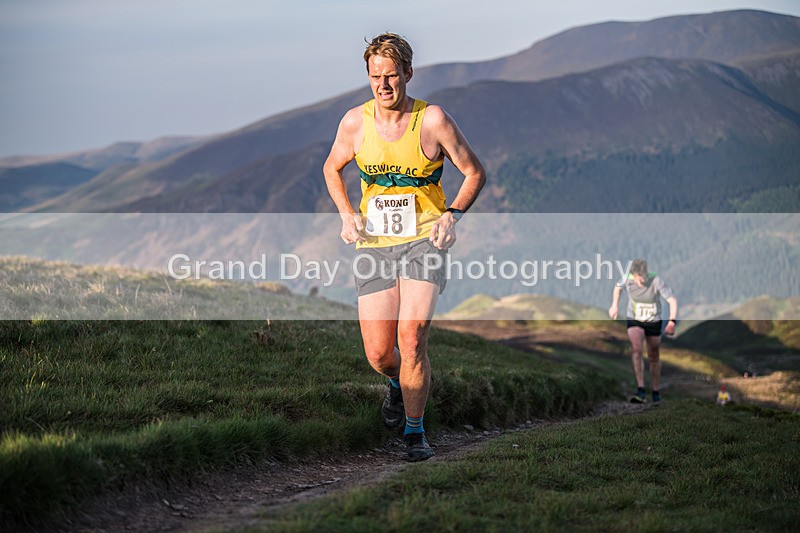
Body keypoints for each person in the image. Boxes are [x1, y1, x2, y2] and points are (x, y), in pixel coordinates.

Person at [323, 32, 486, 462]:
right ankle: (397, 384)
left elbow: (474, 173)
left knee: (412, 338)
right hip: (374, 243)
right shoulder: (354, 123)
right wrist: (345, 213)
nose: (383, 86)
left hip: (423, 239)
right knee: (380, 353)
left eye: (392, 76)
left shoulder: (432, 121)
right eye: (376, 77)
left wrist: (452, 214)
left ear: (408, 74)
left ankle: (415, 432)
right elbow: (331, 167)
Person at [608, 259, 678, 404]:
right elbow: (617, 288)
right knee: (636, 350)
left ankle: (655, 390)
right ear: (633, 275)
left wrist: (672, 321)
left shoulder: (656, 280)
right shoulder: (627, 279)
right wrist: (614, 305)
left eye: (645, 275)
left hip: (654, 321)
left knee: (653, 355)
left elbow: (672, 300)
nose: (644, 279)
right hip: (635, 319)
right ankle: (640, 389)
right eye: (640, 277)